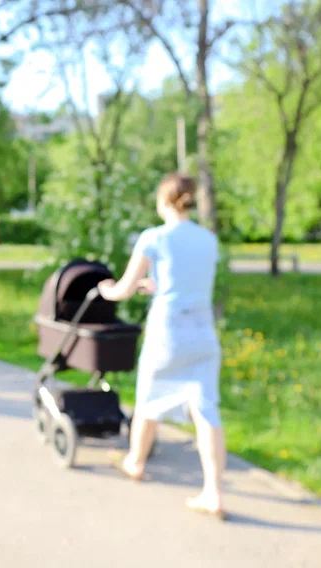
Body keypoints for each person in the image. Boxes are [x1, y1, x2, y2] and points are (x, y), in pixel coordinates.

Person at [97, 173, 226, 519]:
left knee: (149, 400)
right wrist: (158, 285)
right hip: (202, 332)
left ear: (165, 201)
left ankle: (136, 462)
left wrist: (107, 289)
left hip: (169, 331)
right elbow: (191, 280)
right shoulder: (209, 239)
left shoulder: (154, 237)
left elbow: (123, 288)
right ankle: (213, 492)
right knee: (206, 409)